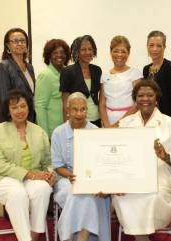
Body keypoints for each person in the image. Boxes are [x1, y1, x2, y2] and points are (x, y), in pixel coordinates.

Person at [112, 79, 171, 241]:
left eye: (149, 95)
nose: (145, 99)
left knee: (151, 196)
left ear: (156, 98)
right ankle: (142, 238)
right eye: (140, 95)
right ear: (135, 99)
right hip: (130, 177)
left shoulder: (169, 123)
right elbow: (117, 155)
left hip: (160, 177)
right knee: (122, 196)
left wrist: (165, 156)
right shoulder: (125, 123)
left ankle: (140, 236)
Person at [0, 89, 55, 241]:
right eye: (14, 107)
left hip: (32, 177)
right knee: (17, 193)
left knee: (43, 188)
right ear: (8, 111)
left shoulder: (39, 132)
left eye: (23, 106)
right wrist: (30, 174)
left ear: (29, 107)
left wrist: (50, 174)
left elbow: (48, 162)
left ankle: (34, 234)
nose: (19, 111)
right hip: (2, 178)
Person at [52, 92, 110, 241]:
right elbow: (57, 166)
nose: (79, 113)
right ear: (67, 111)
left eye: (83, 109)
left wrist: (89, 180)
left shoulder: (95, 131)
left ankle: (70, 237)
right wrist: (70, 176)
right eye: (75, 109)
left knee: (87, 194)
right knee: (79, 195)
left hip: (91, 179)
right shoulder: (58, 133)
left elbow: (101, 162)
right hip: (66, 178)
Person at [99, 35, 142, 127]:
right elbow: (102, 103)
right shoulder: (105, 75)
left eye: (123, 51)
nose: (119, 55)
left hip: (129, 120)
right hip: (108, 121)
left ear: (128, 53)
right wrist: (107, 125)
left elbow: (138, 102)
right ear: (110, 52)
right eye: (116, 51)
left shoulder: (135, 74)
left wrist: (118, 124)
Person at [60, 35, 101, 127]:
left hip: (96, 120)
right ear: (77, 52)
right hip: (77, 120)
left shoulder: (97, 70)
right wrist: (67, 124)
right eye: (83, 49)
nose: (87, 52)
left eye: (90, 49)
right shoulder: (68, 71)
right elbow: (65, 102)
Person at [0, 28, 36, 123]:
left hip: (29, 120)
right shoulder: (4, 66)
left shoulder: (30, 67)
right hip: (13, 122)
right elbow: (3, 100)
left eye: (22, 41)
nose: (20, 44)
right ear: (8, 45)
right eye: (15, 41)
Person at [35, 39, 70, 138]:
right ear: (49, 56)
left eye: (62, 52)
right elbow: (40, 107)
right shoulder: (46, 75)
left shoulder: (66, 73)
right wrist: (46, 135)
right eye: (55, 53)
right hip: (52, 132)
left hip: (65, 129)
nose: (59, 55)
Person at [143, 30, 171, 119]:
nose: (155, 49)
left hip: (166, 116)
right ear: (147, 47)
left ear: (164, 47)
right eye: (151, 45)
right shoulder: (146, 69)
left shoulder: (170, 67)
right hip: (149, 116)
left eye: (159, 46)